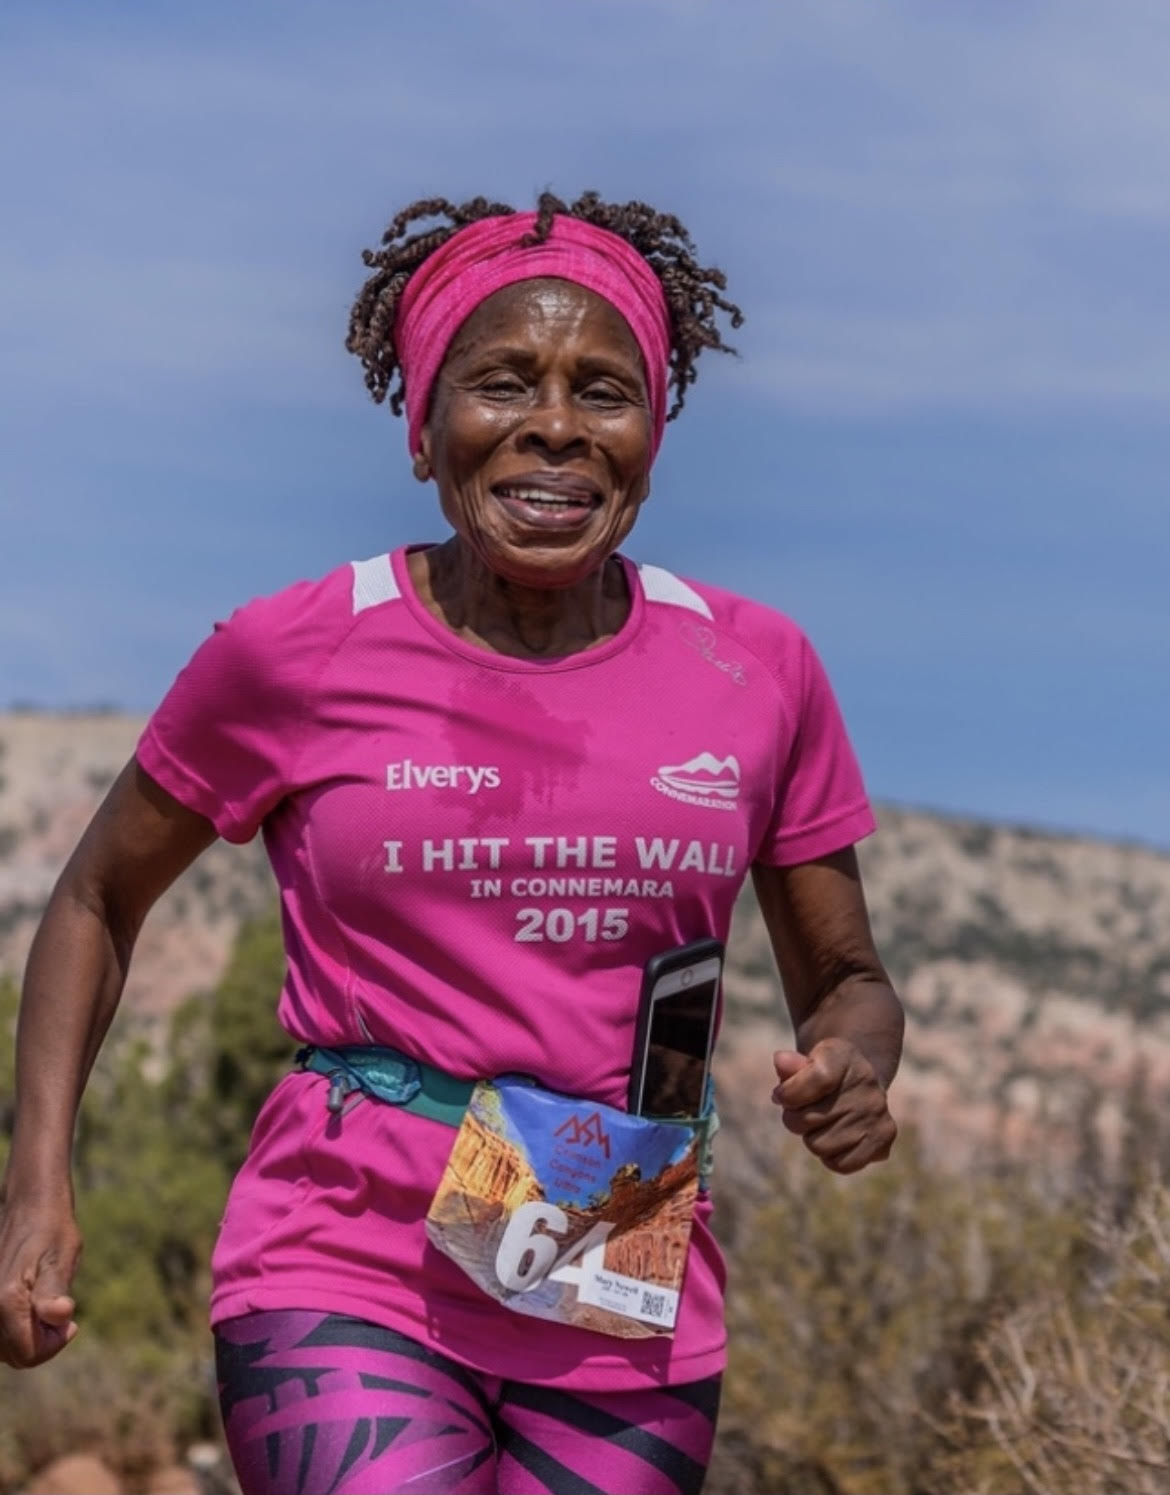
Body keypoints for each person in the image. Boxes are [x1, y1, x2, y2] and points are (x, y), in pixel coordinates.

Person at [0, 191, 903, 1495]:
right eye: (501, 385)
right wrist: (38, 1189)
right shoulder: (299, 651)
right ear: (424, 428)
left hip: (613, 1237)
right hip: (344, 1253)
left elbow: (847, 979)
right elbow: (94, 898)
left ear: (652, 433)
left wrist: (852, 1067)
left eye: (603, 390)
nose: (553, 425)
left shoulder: (753, 667)